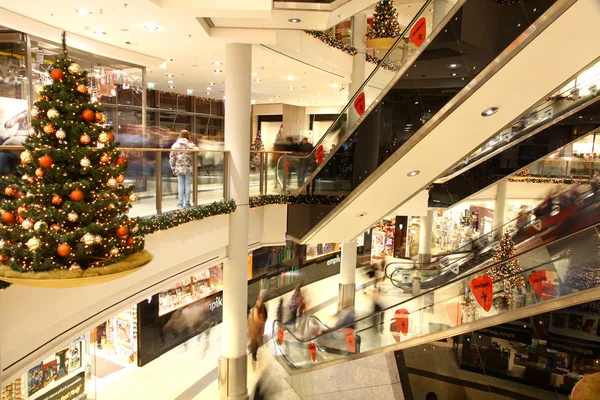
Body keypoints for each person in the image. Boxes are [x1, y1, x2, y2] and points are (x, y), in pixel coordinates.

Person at [169, 130, 197, 207]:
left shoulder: (175, 145)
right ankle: (187, 202)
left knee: (180, 185)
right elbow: (198, 152)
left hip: (179, 167)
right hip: (188, 167)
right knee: (188, 184)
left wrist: (173, 167)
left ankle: (180, 202)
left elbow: (172, 158)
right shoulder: (190, 145)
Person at [248, 291, 268, 362]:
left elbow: (265, 316)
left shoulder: (263, 308)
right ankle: (254, 354)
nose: (259, 302)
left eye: (261, 300)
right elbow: (251, 320)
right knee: (254, 342)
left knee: (256, 341)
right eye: (259, 300)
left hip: (259, 329)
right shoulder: (254, 310)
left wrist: (263, 322)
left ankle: (254, 351)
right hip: (254, 329)